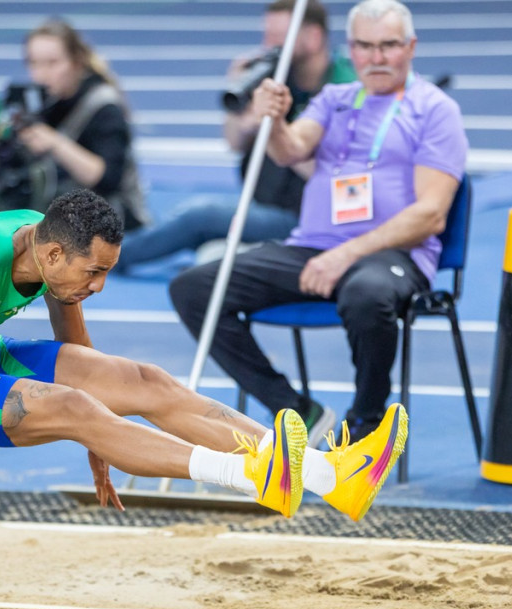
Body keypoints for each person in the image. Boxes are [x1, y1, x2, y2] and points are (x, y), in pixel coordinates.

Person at [0, 189, 408, 578]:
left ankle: (335, 479)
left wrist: (103, 442)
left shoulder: (46, 249)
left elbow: (82, 354)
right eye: (93, 273)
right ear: (54, 255)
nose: (98, 286)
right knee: (69, 404)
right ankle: (253, 477)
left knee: (146, 381)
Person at [169, 0, 468, 449]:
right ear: (351, 48)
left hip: (393, 255)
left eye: (389, 46)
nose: (377, 58)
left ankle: (365, 428)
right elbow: (290, 150)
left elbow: (431, 215)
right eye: (365, 47)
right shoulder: (335, 99)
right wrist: (274, 119)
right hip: (311, 248)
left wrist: (346, 254)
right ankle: (297, 410)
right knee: (193, 289)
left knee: (366, 293)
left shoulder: (434, 110)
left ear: (411, 47)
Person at [114, 0, 355, 272]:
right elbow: (233, 142)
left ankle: (108, 257)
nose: (268, 45)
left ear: (313, 38)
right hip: (264, 203)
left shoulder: (343, 89)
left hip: (307, 217)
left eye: (278, 37)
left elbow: (341, 176)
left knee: (200, 216)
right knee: (203, 233)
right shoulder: (275, 75)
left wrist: (276, 128)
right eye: (267, 35)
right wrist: (245, 115)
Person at [0, 18, 149, 232]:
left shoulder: (103, 105)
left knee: (57, 204)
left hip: (108, 209)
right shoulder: (43, 98)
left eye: (52, 63)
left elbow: (105, 178)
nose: (41, 74)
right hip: (55, 194)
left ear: (77, 62)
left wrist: (54, 143)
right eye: (33, 63)